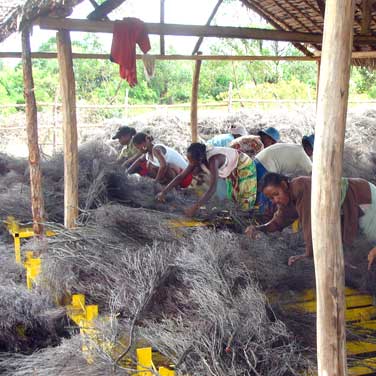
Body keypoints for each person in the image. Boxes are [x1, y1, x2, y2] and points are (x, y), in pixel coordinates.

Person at [245, 173, 376, 267]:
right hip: (351, 202)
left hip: (363, 196)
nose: (275, 200)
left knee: (372, 241)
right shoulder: (288, 198)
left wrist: (308, 255)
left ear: (284, 185)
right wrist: (258, 228)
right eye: (271, 198)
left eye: (276, 194)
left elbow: (311, 224)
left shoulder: (301, 187)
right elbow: (278, 222)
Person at [156, 143, 257, 217]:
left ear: (199, 160)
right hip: (231, 167)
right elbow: (181, 176)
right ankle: (237, 213)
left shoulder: (214, 160)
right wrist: (163, 192)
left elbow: (212, 188)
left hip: (243, 164)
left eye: (192, 161)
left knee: (245, 194)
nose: (190, 164)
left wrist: (194, 208)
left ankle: (246, 217)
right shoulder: (198, 158)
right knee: (234, 193)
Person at [253, 143, 312, 214]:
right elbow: (314, 177)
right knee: (268, 198)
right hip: (266, 166)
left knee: (255, 194)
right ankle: (263, 216)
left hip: (257, 160)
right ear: (312, 149)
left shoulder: (295, 148)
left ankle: (255, 214)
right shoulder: (304, 158)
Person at [128, 132, 192, 187]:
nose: (139, 149)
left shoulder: (156, 149)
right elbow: (139, 160)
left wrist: (155, 181)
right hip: (180, 177)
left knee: (155, 165)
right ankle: (165, 185)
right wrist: (127, 172)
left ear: (146, 141)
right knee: (149, 165)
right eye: (137, 148)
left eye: (139, 147)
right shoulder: (148, 154)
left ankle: (172, 187)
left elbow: (164, 165)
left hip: (185, 177)